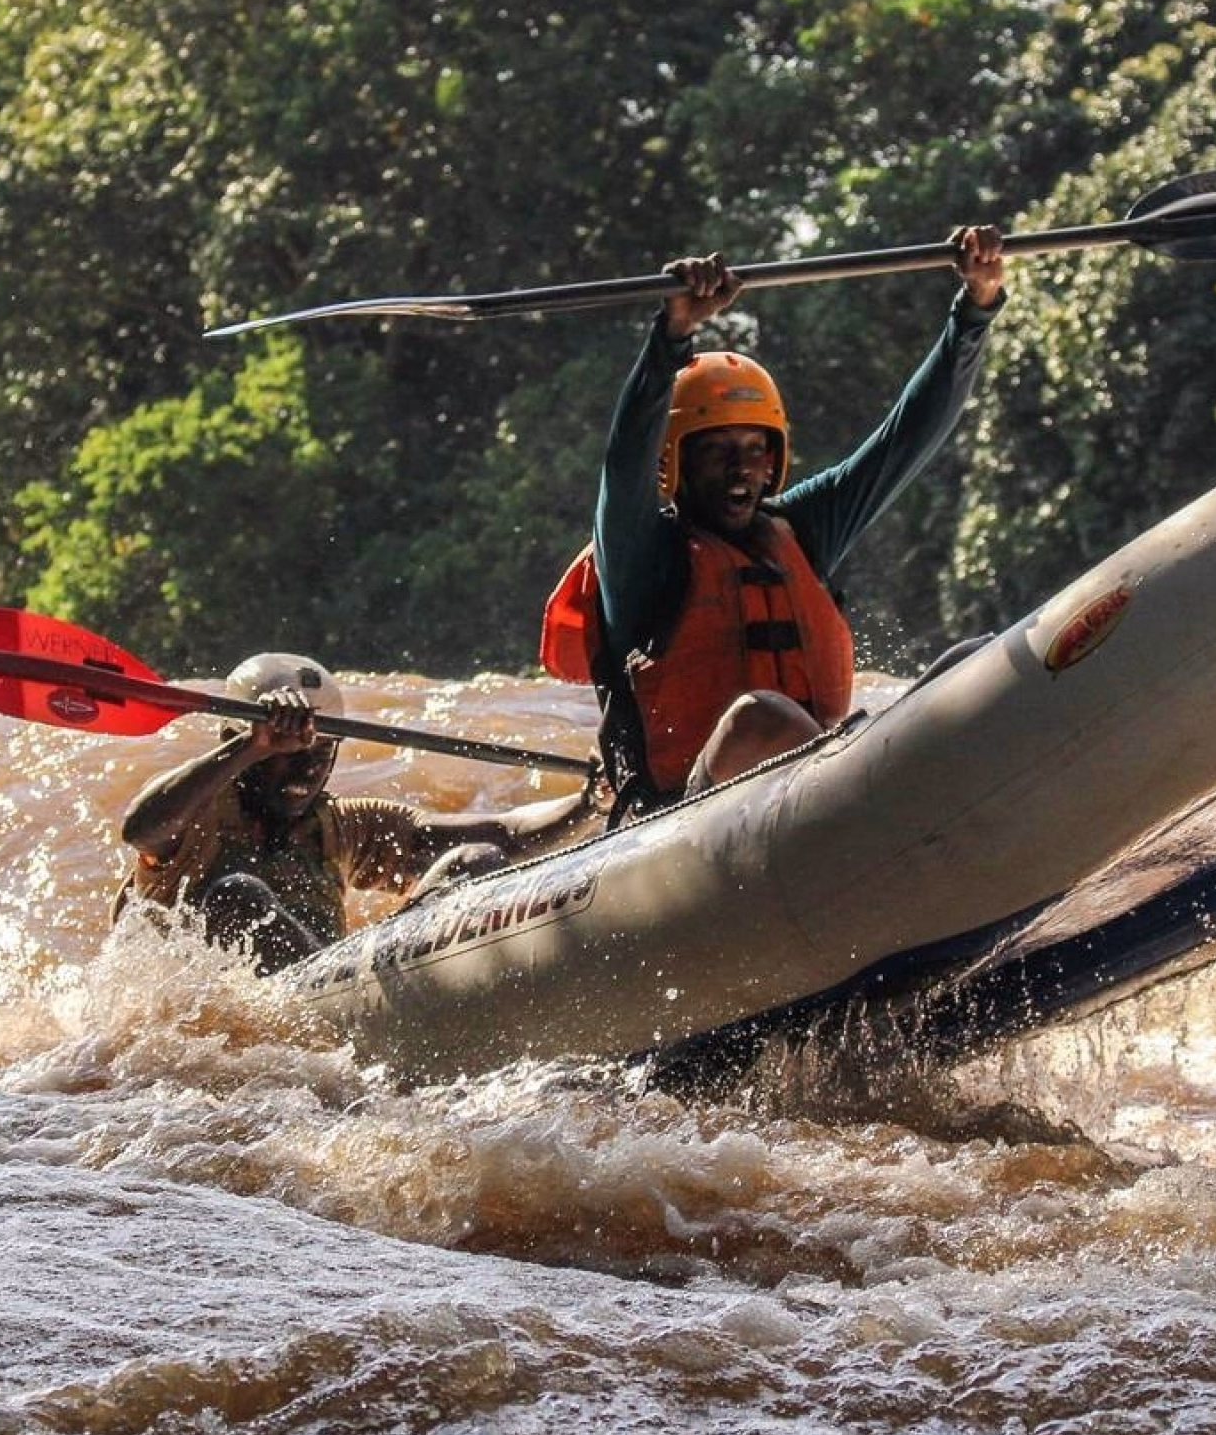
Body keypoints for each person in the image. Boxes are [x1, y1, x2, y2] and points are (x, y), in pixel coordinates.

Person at [540, 226, 1006, 818]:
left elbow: (904, 441)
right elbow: (625, 461)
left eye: (755, 448)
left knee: (972, 659)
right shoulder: (643, 555)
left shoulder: (802, 530)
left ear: (776, 458)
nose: (741, 469)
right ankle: (862, 811)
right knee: (761, 718)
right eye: (717, 451)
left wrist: (975, 310)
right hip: (681, 820)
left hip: (817, 798)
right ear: (675, 463)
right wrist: (673, 334)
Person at [116, 653, 603, 974]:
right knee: (237, 894)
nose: (308, 766)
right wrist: (254, 742)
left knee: (474, 860)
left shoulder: (346, 825)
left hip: (348, 990)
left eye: (322, 749)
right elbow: (141, 828)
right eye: (287, 749)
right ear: (235, 741)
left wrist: (587, 804)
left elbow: (504, 833)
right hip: (286, 1011)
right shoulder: (192, 819)